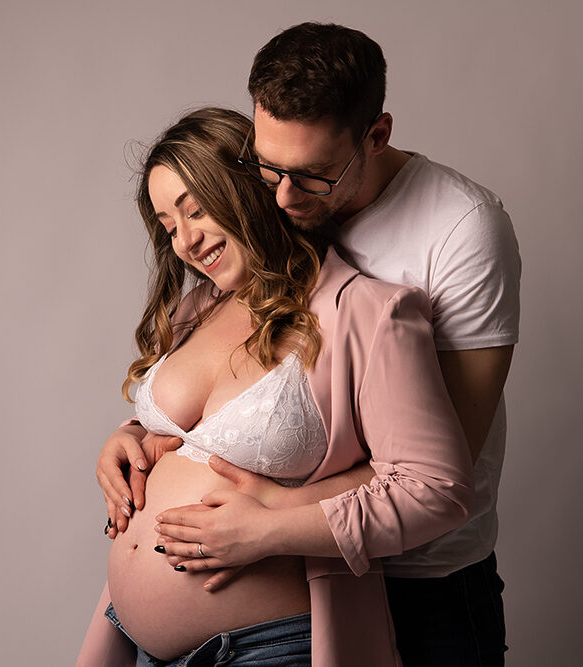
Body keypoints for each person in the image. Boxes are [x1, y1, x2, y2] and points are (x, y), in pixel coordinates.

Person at [111, 23, 522, 667]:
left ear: (376, 136)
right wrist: (141, 438)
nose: (280, 196)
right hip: (264, 590)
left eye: (310, 176)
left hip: (422, 578)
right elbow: (241, 409)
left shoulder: (458, 233)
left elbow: (442, 470)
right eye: (267, 168)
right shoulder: (237, 272)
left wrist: (270, 516)